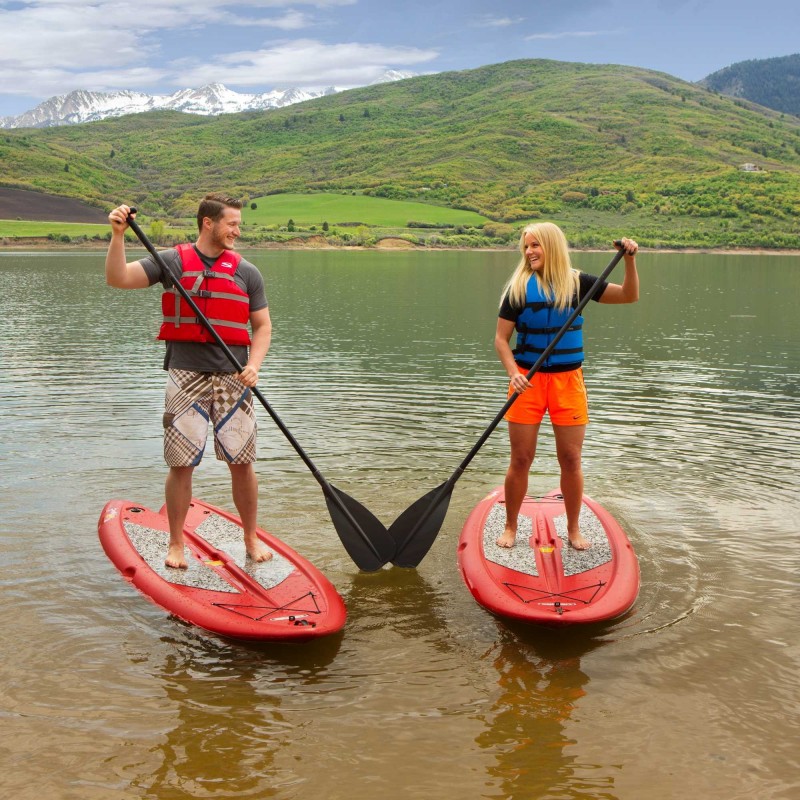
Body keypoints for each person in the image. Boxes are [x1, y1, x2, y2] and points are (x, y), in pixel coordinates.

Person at [105, 194, 273, 568]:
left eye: (238, 224)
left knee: (243, 463)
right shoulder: (173, 262)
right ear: (207, 223)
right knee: (181, 464)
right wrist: (118, 236)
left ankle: (250, 538)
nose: (237, 230)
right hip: (186, 376)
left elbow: (262, 327)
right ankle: (176, 544)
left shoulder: (247, 272)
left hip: (235, 378)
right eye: (232, 223)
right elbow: (117, 278)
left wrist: (255, 365)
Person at [494, 222, 639, 550]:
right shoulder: (518, 288)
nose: (529, 251)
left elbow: (630, 296)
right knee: (520, 458)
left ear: (552, 246)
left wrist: (629, 260)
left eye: (536, 245)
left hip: (568, 383)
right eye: (526, 246)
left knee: (571, 458)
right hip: (526, 381)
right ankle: (511, 526)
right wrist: (511, 373)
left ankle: (573, 529)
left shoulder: (579, 284)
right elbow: (501, 340)